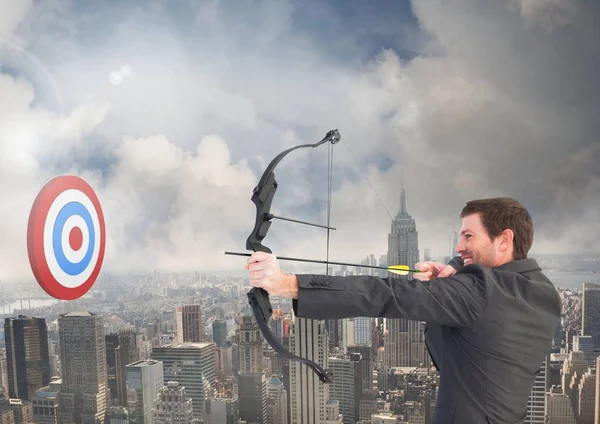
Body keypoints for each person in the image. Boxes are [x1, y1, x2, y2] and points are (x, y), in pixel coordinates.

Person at [244, 197, 561, 424]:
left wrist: (286, 283)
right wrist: (447, 288)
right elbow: (479, 338)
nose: (459, 247)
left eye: (468, 236)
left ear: (504, 240)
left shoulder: (481, 289)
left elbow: (384, 294)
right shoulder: (543, 293)